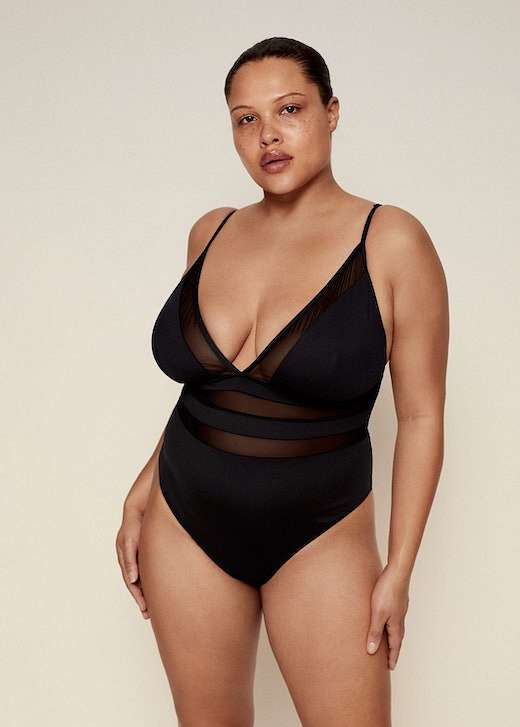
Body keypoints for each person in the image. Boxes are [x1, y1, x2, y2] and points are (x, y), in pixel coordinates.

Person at [116, 36, 449, 726]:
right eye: (246, 119)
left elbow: (421, 417)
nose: (268, 134)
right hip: (185, 522)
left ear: (332, 111)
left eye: (289, 109)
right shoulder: (211, 232)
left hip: (320, 533)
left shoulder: (391, 241)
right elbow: (206, 389)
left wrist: (399, 570)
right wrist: (145, 484)